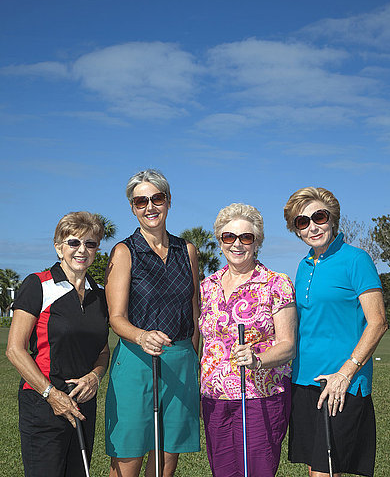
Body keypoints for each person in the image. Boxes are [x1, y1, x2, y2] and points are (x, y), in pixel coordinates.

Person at [284, 187, 387, 477]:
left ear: (333, 219)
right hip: (304, 380)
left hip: (342, 382)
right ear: (297, 230)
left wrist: (346, 372)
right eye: (302, 222)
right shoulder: (303, 266)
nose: (312, 226)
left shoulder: (356, 259)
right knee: (315, 467)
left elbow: (378, 321)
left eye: (319, 216)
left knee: (324, 471)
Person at [105, 169, 200, 477]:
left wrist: (194, 359)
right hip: (136, 360)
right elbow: (116, 318)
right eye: (140, 201)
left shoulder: (187, 251)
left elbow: (195, 310)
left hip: (181, 361)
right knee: (128, 453)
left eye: (156, 198)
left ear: (168, 202)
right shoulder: (124, 251)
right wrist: (142, 336)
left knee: (166, 457)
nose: (150, 207)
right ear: (132, 207)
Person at [6, 211, 110, 477]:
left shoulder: (100, 295)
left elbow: (103, 350)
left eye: (90, 243)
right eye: (73, 242)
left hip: (83, 405)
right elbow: (15, 350)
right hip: (43, 404)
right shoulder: (38, 284)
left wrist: (95, 378)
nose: (82, 250)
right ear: (58, 247)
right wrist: (51, 395)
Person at [199, 203, 297, 477]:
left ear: (257, 242)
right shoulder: (207, 287)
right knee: (223, 472)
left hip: (260, 397)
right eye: (229, 237)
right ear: (220, 242)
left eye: (246, 237)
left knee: (257, 472)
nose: (237, 244)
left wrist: (258, 360)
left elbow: (288, 345)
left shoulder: (276, 283)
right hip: (214, 399)